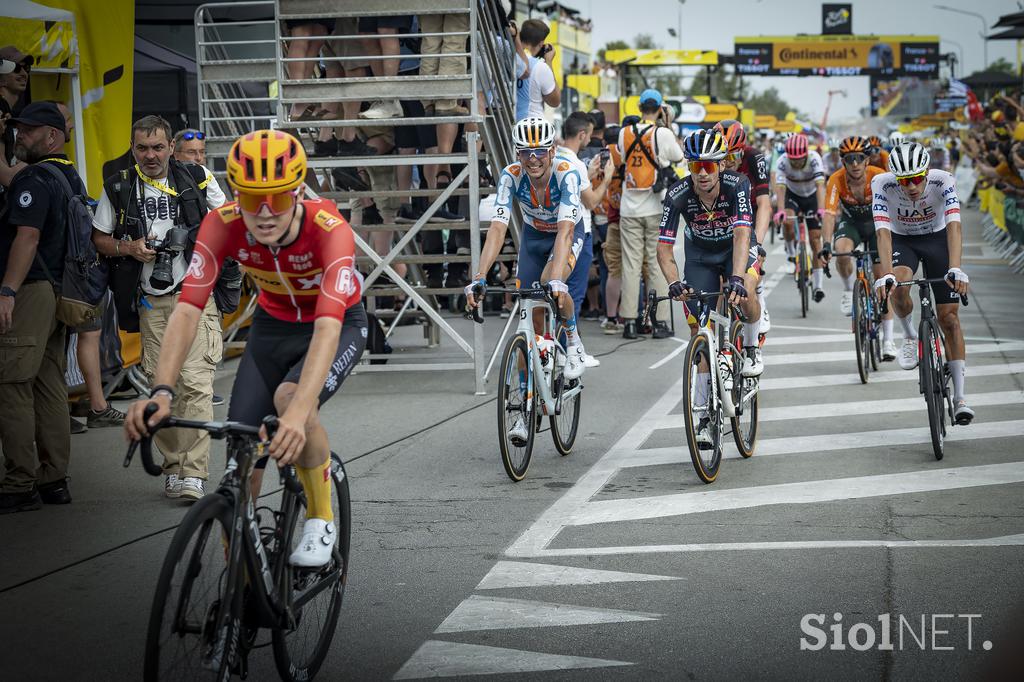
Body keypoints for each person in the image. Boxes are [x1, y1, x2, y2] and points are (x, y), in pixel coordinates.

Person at [126, 129, 367, 567]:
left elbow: (329, 328)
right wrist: (160, 390)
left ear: (297, 192)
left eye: (277, 198)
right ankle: (240, 591)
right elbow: (186, 310)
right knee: (240, 465)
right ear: (236, 194)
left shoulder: (329, 230)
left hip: (334, 325)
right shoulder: (222, 224)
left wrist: (297, 414)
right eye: (252, 199)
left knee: (292, 400)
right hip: (273, 328)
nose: (265, 213)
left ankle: (320, 517)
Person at [92, 115, 226, 501]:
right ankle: (174, 466)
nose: (150, 156)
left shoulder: (198, 178)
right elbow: (99, 238)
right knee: (163, 385)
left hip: (196, 296)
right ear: (133, 149)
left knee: (197, 384)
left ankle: (194, 472)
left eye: (157, 147)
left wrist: (197, 242)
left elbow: (228, 221)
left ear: (171, 147)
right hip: (151, 300)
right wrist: (130, 248)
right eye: (142, 148)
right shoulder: (119, 186)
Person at [465, 117, 590, 430]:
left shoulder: (566, 174)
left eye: (539, 152)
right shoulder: (511, 176)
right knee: (529, 320)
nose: (532, 159)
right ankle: (522, 409)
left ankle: (573, 342)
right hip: (533, 238)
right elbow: (497, 228)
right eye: (525, 153)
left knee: (551, 284)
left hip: (567, 233)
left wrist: (559, 277)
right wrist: (479, 276)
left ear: (551, 152)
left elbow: (564, 232)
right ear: (517, 154)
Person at [0, 102, 80, 512]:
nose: (20, 136)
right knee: (49, 385)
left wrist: (7, 291)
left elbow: (26, 237)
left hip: (31, 290)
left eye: (28, 131)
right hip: (60, 293)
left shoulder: (33, 177)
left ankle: (18, 484)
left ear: (51, 136)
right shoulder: (69, 176)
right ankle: (54, 481)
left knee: (12, 383)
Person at [873, 142, 973, 424]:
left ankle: (960, 398)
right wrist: (887, 273)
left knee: (949, 318)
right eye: (905, 180)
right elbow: (882, 231)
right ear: (896, 178)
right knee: (899, 284)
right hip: (902, 240)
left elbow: (954, 225)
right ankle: (908, 335)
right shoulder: (881, 183)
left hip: (938, 238)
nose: (912, 186)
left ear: (927, 172)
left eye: (917, 178)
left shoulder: (944, 180)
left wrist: (955, 268)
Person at [657, 129, 763, 387]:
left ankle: (751, 347)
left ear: (722, 164)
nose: (702, 173)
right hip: (700, 256)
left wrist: (736, 277)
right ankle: (703, 409)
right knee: (698, 328)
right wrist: (673, 283)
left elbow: (741, 235)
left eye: (707, 166)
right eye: (695, 166)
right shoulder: (677, 194)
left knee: (747, 290)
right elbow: (663, 246)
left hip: (735, 249)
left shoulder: (738, 184)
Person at [818, 136, 897, 359]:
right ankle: (846, 290)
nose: (854, 164)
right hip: (851, 223)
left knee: (883, 281)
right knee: (841, 250)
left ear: (866, 160)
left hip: (877, 225)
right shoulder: (836, 180)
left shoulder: (880, 176)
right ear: (843, 161)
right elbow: (830, 214)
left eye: (859, 158)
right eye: (849, 159)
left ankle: (888, 340)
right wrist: (826, 244)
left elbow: (897, 204)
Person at [616, 89, 683, 339]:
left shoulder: (624, 133)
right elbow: (677, 156)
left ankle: (630, 322)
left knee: (631, 265)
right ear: (660, 109)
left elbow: (621, 159)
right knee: (657, 264)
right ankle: (660, 322)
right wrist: (666, 126)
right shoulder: (663, 133)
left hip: (628, 209)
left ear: (639, 106)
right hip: (655, 206)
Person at [556, 111, 615, 367]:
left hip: (555, 231)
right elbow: (590, 201)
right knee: (573, 296)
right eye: (589, 136)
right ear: (582, 135)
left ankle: (563, 348)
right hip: (578, 231)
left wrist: (589, 175)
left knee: (555, 293)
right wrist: (607, 180)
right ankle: (570, 349)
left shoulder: (557, 157)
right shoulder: (576, 164)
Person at [716, 119, 771, 339]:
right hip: (728, 212)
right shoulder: (713, 161)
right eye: (723, 157)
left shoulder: (754, 157)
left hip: (753, 209)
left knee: (753, 260)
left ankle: (759, 295)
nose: (728, 163)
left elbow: (765, 203)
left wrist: (758, 243)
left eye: (733, 157)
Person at [772, 133, 827, 301]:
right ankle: (790, 252)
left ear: (805, 154)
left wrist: (821, 209)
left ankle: (818, 285)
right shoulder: (782, 161)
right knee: (788, 221)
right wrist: (780, 210)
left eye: (799, 159)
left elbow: (820, 186)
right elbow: (780, 189)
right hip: (792, 195)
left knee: (816, 239)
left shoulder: (814, 158)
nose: (795, 163)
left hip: (811, 196)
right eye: (792, 159)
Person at [515, 19, 560, 120]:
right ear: (541, 43)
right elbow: (555, 101)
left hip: (506, 122)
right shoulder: (541, 67)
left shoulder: (509, 54)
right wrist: (549, 62)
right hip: (530, 126)